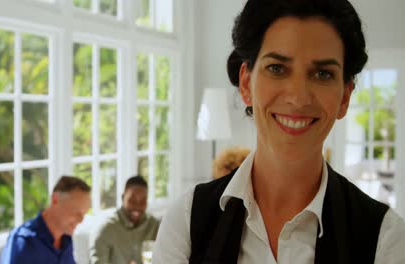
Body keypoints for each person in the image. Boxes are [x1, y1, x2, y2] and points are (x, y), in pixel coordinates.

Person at [153, 0, 405, 263]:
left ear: (345, 97)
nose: (298, 98)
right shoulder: (186, 221)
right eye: (277, 68)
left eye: (322, 74)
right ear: (246, 83)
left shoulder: (386, 239)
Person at [1, 176, 91, 264]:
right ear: (55, 200)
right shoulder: (24, 241)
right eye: (76, 212)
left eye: (83, 214)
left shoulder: (66, 240)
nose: (81, 220)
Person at [90, 175, 160, 264]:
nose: (138, 206)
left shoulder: (156, 226)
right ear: (123, 198)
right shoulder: (105, 229)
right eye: (132, 200)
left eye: (143, 201)